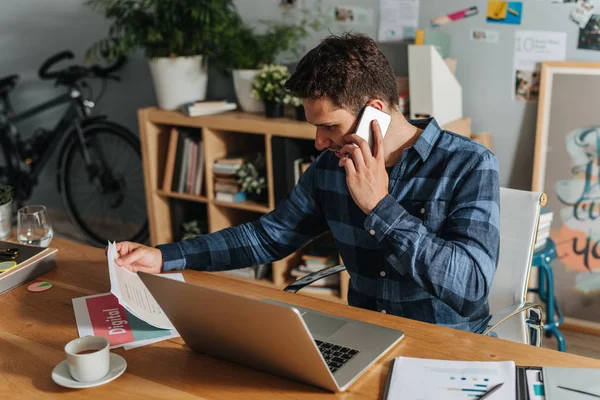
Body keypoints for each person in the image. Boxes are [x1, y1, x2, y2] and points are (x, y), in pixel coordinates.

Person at [114, 33, 500, 334]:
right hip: (367, 336)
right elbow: (267, 237)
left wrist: (380, 207)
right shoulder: (331, 167)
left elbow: (470, 288)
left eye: (328, 126)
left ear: (375, 113)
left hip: (447, 345)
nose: (318, 143)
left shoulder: (469, 164)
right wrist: (164, 257)